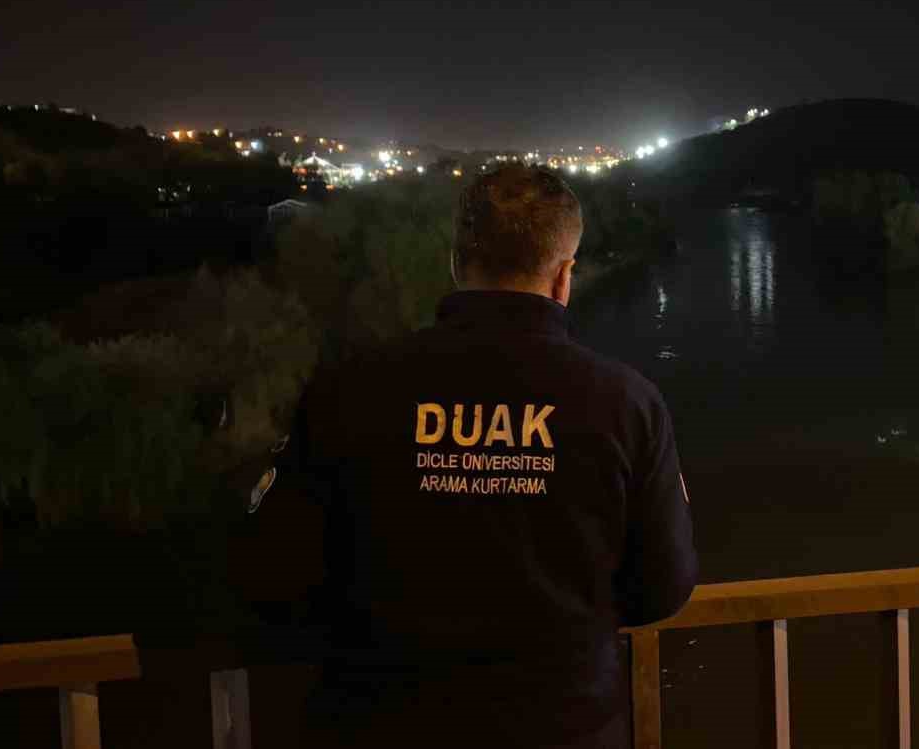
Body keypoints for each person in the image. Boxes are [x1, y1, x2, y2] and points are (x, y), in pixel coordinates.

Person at [255, 165, 697, 748]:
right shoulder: (627, 405)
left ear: (458, 264)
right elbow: (663, 588)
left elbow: (278, 572)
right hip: (565, 729)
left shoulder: (351, 389)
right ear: (564, 276)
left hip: (382, 726)